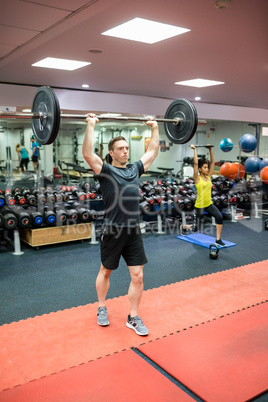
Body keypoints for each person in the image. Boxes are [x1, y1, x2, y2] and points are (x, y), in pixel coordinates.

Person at [82, 114, 159, 336]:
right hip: (113, 231)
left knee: (138, 275)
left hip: (134, 231)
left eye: (127, 148)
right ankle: (101, 307)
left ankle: (133, 317)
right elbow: (88, 154)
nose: (126, 151)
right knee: (106, 271)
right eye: (121, 148)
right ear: (111, 153)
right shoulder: (105, 170)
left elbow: (152, 152)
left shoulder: (135, 169)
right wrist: (91, 124)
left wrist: (154, 128)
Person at [183, 144, 225, 247]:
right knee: (195, 228)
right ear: (200, 169)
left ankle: (218, 239)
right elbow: (196, 164)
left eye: (207, 167)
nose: (207, 169)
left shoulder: (209, 176)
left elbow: (213, 163)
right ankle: (184, 227)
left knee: (219, 217)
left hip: (209, 204)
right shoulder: (197, 178)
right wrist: (195, 150)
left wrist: (210, 149)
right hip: (199, 206)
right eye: (205, 167)